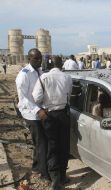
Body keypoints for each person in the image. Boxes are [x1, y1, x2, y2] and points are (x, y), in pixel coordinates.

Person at [32, 56, 72, 190]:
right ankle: (63, 176)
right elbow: (69, 94)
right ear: (61, 65)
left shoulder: (43, 78)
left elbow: (36, 98)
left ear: (49, 64)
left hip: (50, 115)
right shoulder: (67, 77)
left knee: (52, 146)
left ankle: (55, 178)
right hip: (64, 114)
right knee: (64, 145)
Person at [15, 48, 48, 179]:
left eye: (40, 58)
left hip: (40, 110)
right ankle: (45, 173)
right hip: (30, 113)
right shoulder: (24, 75)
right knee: (42, 143)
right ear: (29, 59)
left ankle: (36, 167)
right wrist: (38, 110)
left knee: (39, 142)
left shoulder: (40, 71)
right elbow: (23, 98)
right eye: (36, 58)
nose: (39, 60)